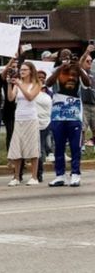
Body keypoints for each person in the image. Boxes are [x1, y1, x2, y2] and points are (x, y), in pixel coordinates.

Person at [46, 54, 90, 187]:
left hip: (74, 115)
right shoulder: (57, 71)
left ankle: (75, 174)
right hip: (58, 115)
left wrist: (79, 68)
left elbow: (87, 84)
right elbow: (48, 83)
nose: (70, 77)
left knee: (75, 146)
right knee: (58, 146)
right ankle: (60, 175)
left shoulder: (78, 71)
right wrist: (60, 68)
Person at [6, 61, 42, 186]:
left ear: (31, 71)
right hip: (19, 118)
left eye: (25, 70)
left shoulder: (36, 84)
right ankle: (16, 177)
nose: (22, 72)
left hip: (31, 118)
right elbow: (10, 98)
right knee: (17, 146)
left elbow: (30, 97)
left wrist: (20, 85)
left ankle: (34, 176)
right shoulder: (18, 83)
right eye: (21, 69)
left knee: (32, 147)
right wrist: (10, 85)